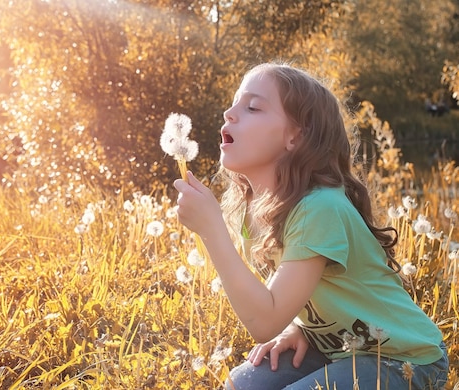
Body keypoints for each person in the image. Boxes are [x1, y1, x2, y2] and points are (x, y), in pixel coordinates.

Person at [173, 63, 448, 389]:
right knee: (242, 384)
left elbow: (264, 321)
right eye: (234, 103)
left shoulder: (319, 208)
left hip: (405, 357)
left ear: (296, 135)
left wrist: (211, 230)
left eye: (253, 107)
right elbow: (285, 297)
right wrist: (300, 328)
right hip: (340, 348)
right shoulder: (252, 211)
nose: (229, 113)